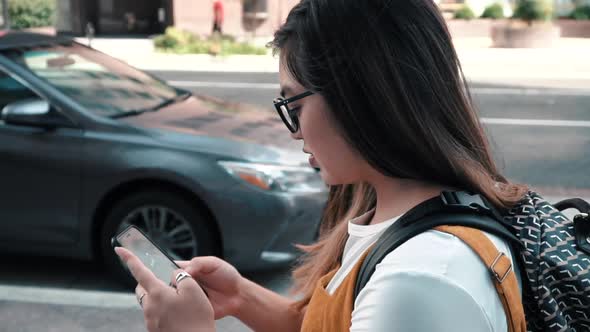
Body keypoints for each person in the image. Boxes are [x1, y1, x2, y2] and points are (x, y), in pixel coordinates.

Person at [115, 0, 529, 331]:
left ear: (361, 97)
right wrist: (242, 297)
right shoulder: (404, 215)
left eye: (293, 103)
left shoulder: (421, 280)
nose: (294, 131)